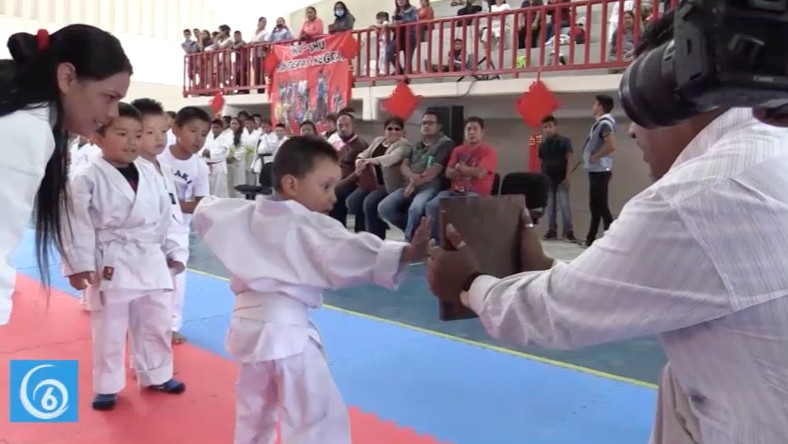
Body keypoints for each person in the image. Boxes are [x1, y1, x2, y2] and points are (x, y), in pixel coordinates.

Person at [426, 11, 788, 443]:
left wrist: (467, 282)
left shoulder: (693, 198)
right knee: (680, 379)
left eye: (638, 106)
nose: (633, 130)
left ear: (673, 92)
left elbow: (550, 317)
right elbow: (605, 293)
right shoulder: (768, 149)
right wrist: (548, 270)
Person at [192, 136, 431, 444]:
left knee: (254, 412)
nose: (333, 197)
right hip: (286, 337)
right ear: (291, 184)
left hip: (246, 330)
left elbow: (205, 211)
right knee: (315, 417)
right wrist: (409, 253)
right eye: (326, 186)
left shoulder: (247, 214)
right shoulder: (310, 227)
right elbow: (350, 248)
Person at [0, 24, 132, 326]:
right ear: (67, 77)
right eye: (109, 97)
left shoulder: (28, 119)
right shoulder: (24, 131)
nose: (113, 113)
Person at [61, 103, 187, 410]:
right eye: (122, 134)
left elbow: (166, 215)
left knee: (156, 321)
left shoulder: (152, 172)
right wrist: (78, 265)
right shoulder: (86, 177)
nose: (132, 141)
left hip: (150, 257)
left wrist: (174, 249)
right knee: (110, 328)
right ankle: (107, 385)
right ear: (99, 137)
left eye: (137, 134)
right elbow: (75, 223)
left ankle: (156, 373)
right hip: (111, 260)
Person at [157, 106, 211, 344]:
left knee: (176, 278)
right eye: (193, 131)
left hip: (178, 229)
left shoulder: (199, 167)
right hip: (150, 226)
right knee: (147, 276)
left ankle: (171, 325)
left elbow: (201, 203)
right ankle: (139, 320)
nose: (198, 139)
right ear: (176, 129)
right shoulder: (158, 156)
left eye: (204, 134)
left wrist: (173, 203)